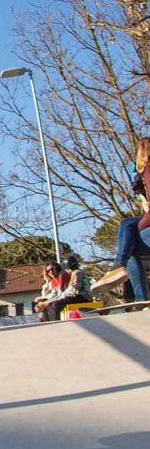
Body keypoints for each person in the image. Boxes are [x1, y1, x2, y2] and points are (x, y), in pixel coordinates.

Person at [93, 137, 150, 304]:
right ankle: (137, 297)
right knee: (127, 232)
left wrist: (141, 226)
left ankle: (119, 267)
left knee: (129, 235)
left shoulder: (148, 169)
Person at [38, 254, 90, 322]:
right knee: (51, 305)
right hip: (78, 296)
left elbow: (72, 291)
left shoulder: (77, 273)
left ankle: (55, 324)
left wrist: (54, 299)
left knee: (56, 304)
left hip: (82, 297)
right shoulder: (75, 273)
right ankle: (48, 322)